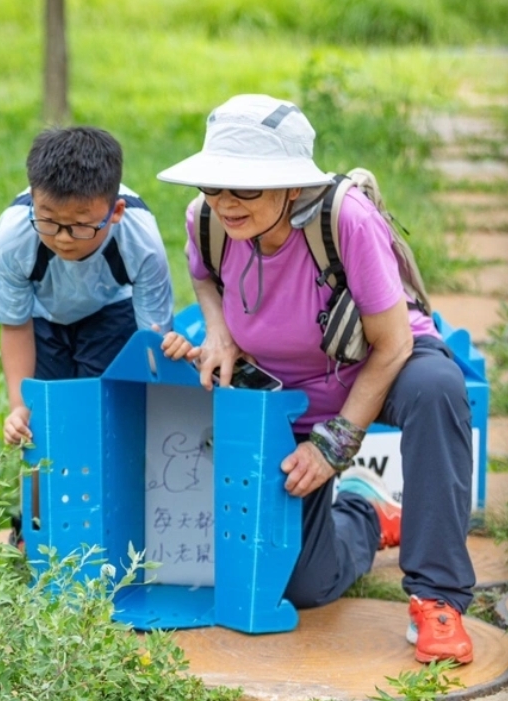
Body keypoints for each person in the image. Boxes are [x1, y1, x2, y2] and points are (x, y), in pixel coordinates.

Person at [156, 94, 475, 664]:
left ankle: (438, 596)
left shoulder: (345, 220)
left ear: (291, 187)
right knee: (301, 585)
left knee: (437, 389)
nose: (225, 203)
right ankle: (365, 516)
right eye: (213, 185)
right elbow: (203, 277)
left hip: (382, 366)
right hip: (283, 395)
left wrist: (336, 444)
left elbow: (395, 342)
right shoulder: (206, 219)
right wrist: (220, 330)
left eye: (245, 188)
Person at [0, 126, 175, 445]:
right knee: (44, 418)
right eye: (49, 221)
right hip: (43, 314)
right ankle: (43, 492)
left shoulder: (141, 242)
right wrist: (18, 408)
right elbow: (15, 326)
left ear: (115, 212)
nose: (62, 237)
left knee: (99, 414)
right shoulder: (14, 237)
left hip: (111, 309)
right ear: (33, 200)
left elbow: (152, 338)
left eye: (80, 226)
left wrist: (159, 400)